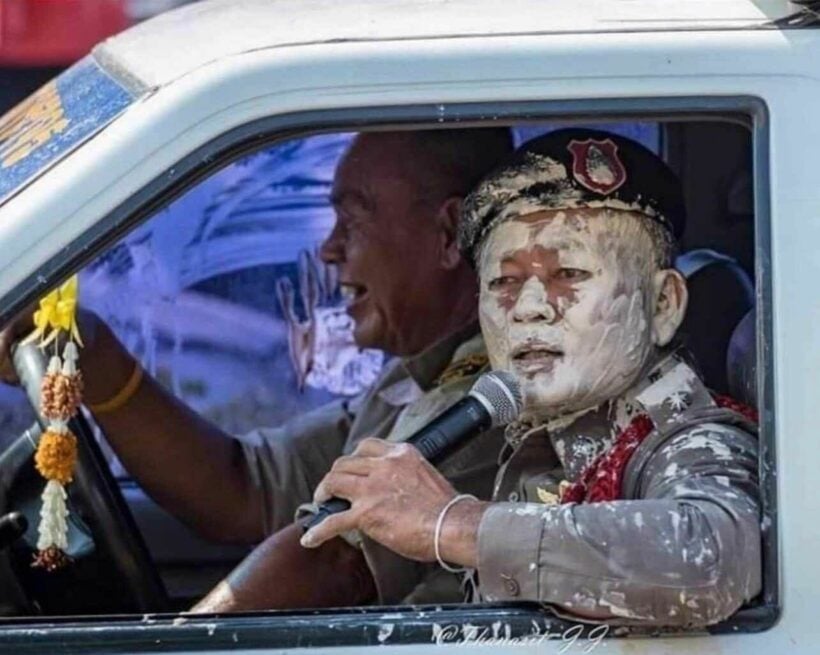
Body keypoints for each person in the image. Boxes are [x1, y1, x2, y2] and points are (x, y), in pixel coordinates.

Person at [0, 128, 513, 607]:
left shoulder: (487, 403)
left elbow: (335, 558)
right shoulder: (416, 375)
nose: (329, 248)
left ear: (449, 235)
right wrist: (97, 359)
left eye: (353, 219)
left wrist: (174, 645)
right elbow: (246, 489)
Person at [300, 128, 761, 626]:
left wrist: (453, 524)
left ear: (662, 305)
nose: (530, 307)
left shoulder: (691, 438)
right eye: (504, 281)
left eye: (570, 275)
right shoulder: (538, 449)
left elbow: (707, 560)